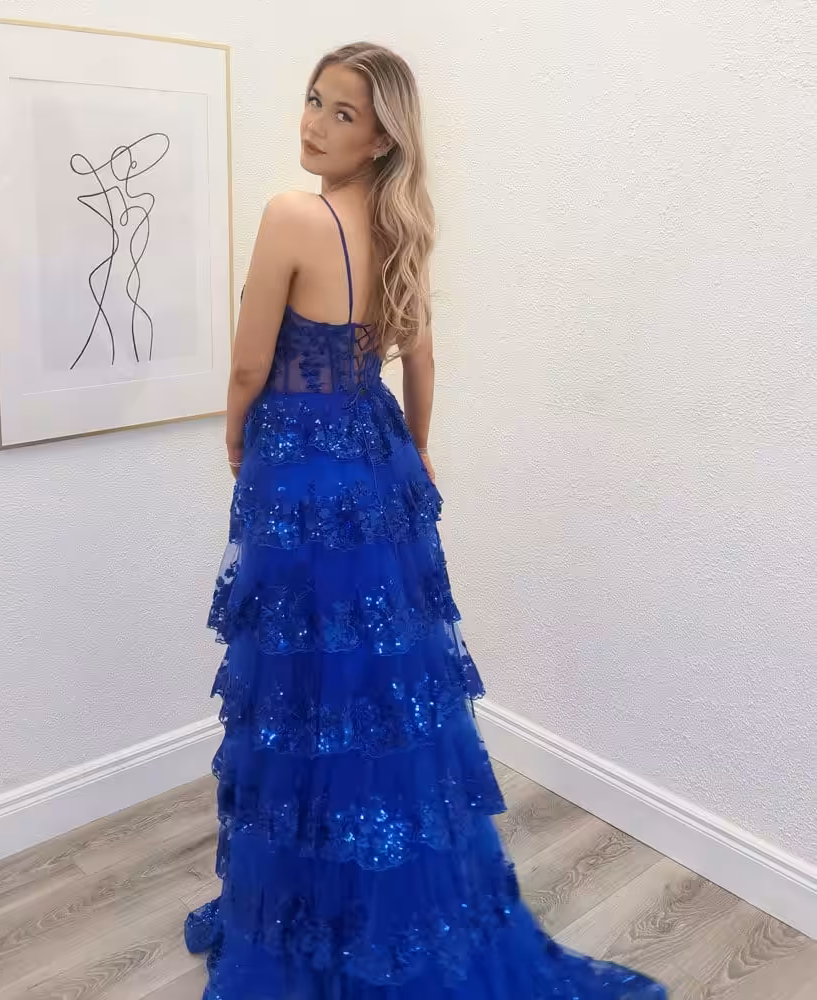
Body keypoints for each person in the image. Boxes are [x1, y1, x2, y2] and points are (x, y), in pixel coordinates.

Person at [185, 41, 667, 1000]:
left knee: (304, 684)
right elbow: (422, 359)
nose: (314, 124)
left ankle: (309, 912)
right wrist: (419, 449)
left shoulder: (293, 215)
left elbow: (247, 364)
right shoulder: (399, 226)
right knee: (379, 683)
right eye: (314, 100)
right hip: (376, 459)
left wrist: (235, 436)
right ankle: (368, 901)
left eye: (343, 113)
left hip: (302, 466)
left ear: (380, 139)